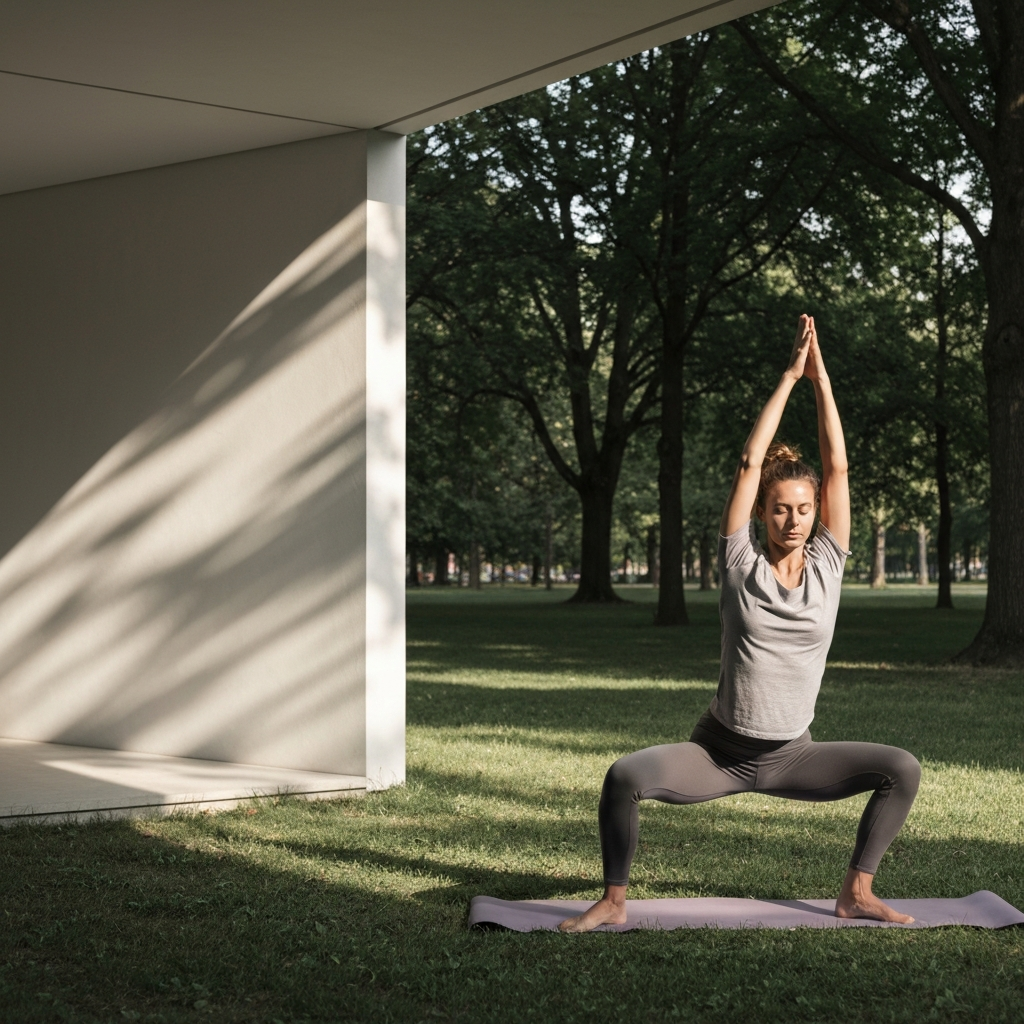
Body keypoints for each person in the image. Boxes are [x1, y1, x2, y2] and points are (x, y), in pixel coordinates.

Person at [560, 314, 921, 933]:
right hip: (720, 754)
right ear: (763, 512)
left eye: (804, 510)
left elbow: (838, 470)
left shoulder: (829, 565)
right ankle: (614, 900)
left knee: (902, 768)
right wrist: (788, 376)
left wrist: (821, 380)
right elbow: (751, 460)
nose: (795, 520)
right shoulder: (739, 563)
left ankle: (856, 892)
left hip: (793, 755)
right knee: (624, 777)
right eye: (781, 509)